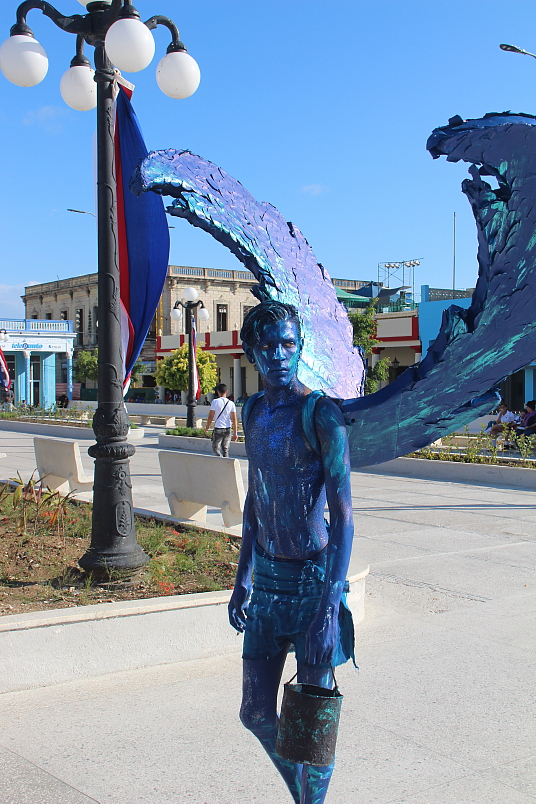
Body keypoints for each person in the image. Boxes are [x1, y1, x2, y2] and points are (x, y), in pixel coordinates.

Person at [228, 301, 354, 804]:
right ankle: (306, 799)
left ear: (299, 346)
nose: (280, 355)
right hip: (269, 585)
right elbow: (255, 501)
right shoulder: (252, 411)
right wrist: (243, 577)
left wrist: (330, 602)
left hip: (312, 585)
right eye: (269, 346)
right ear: (251, 351)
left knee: (312, 727)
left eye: (288, 343)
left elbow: (344, 516)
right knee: (255, 713)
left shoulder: (321, 413)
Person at [205, 383, 238, 456]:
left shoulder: (215, 402)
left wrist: (207, 427)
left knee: (215, 448)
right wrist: (235, 432)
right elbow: (234, 419)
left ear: (218, 392)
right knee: (225, 448)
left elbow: (211, 416)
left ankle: (219, 460)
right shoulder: (231, 403)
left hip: (218, 427)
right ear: (227, 391)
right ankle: (225, 462)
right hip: (228, 428)